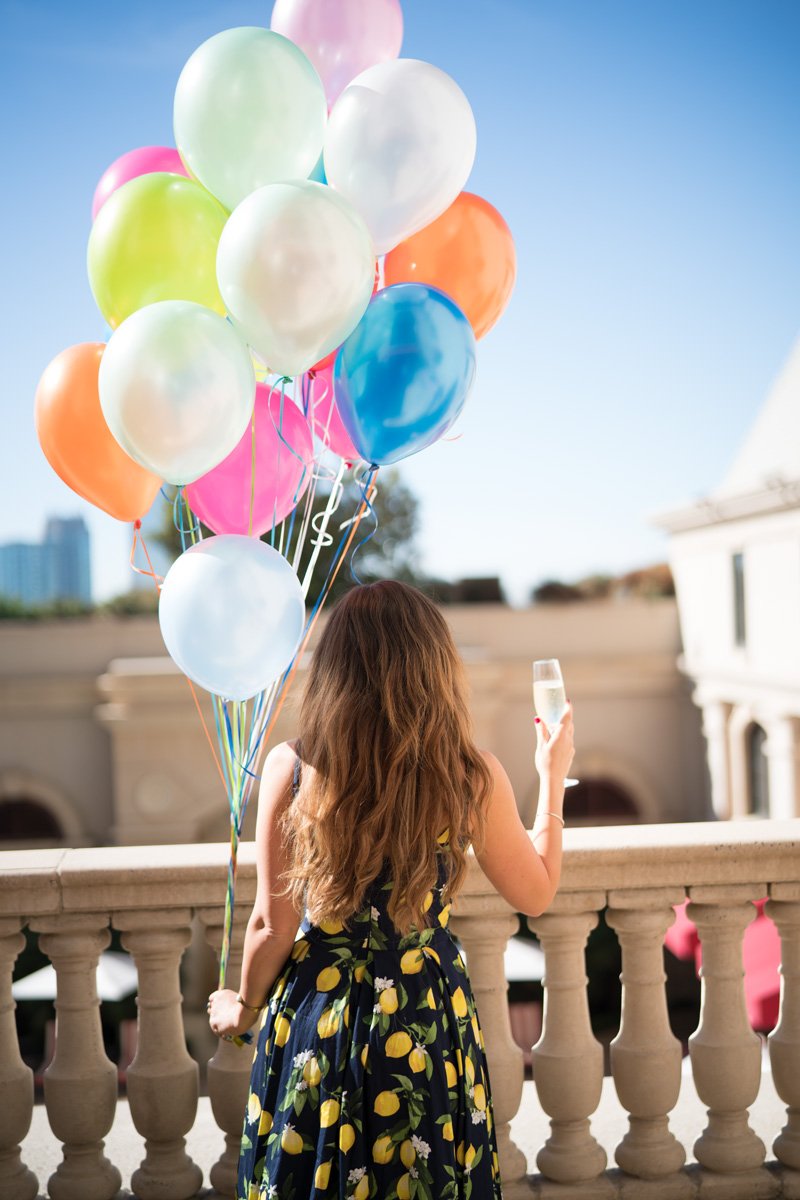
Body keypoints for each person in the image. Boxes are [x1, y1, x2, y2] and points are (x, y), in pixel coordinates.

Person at [207, 580, 575, 1200]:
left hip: (321, 1016)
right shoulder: (469, 773)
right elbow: (536, 893)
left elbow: (271, 924)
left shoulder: (293, 768)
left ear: (333, 669)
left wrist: (240, 1009)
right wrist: (553, 777)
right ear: (433, 667)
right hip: (426, 1016)